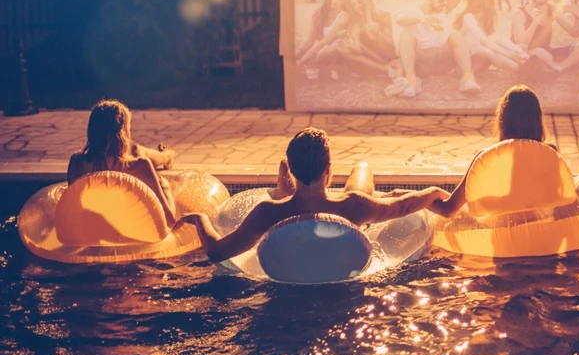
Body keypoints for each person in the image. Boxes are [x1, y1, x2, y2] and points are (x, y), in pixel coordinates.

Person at [175, 128, 451, 263]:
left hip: (291, 208)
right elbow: (402, 208)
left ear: (294, 171)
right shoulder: (354, 206)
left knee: (355, 180)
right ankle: (354, 172)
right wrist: (433, 191)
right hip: (349, 213)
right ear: (329, 171)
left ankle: (289, 182)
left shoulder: (269, 213)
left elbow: (216, 252)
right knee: (362, 169)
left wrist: (200, 218)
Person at [431, 85, 556, 218]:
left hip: (500, 235)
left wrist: (430, 195)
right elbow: (562, 199)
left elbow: (449, 210)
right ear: (537, 119)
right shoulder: (550, 153)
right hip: (541, 233)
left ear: (503, 120)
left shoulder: (487, 157)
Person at [67, 99, 178, 227]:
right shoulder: (141, 166)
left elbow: (72, 212)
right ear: (123, 133)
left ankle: (167, 156)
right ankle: (168, 156)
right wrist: (166, 188)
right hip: (133, 233)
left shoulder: (76, 163)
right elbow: (170, 220)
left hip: (92, 233)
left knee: (136, 150)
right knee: (137, 151)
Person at [387, 0, 480, 98]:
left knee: (455, 34)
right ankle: (412, 81)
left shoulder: (445, 8)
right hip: (421, 63)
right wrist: (420, 19)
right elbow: (399, 20)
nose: (444, 3)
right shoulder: (413, 9)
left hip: (443, 61)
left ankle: (468, 79)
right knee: (406, 36)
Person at [511, 0, 579, 74]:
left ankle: (559, 68)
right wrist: (535, 22)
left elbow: (575, 33)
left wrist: (577, 17)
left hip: (547, 51)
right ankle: (561, 65)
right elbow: (520, 42)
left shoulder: (552, 9)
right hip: (525, 53)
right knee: (540, 53)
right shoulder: (520, 13)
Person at [453, 0, 529, 72]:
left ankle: (527, 59)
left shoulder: (487, 16)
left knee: (500, 40)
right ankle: (524, 67)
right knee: (488, 50)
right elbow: (483, 40)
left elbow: (493, 39)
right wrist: (507, 53)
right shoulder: (468, 17)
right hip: (468, 58)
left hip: (481, 56)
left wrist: (515, 52)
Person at [334, 0, 399, 77]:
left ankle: (380, 69)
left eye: (359, 2)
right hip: (374, 59)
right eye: (354, 4)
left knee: (356, 69)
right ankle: (385, 69)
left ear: (367, 2)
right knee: (343, 51)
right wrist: (348, 45)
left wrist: (378, 33)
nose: (357, 6)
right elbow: (358, 50)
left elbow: (391, 46)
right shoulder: (356, 26)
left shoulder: (384, 16)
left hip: (388, 56)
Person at [296, 0, 352, 79]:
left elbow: (326, 41)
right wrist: (297, 54)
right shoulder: (319, 13)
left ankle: (335, 70)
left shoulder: (343, 17)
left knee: (322, 52)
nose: (335, 1)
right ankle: (315, 68)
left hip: (335, 52)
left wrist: (304, 58)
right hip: (321, 49)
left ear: (344, 2)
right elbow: (309, 40)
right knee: (294, 58)